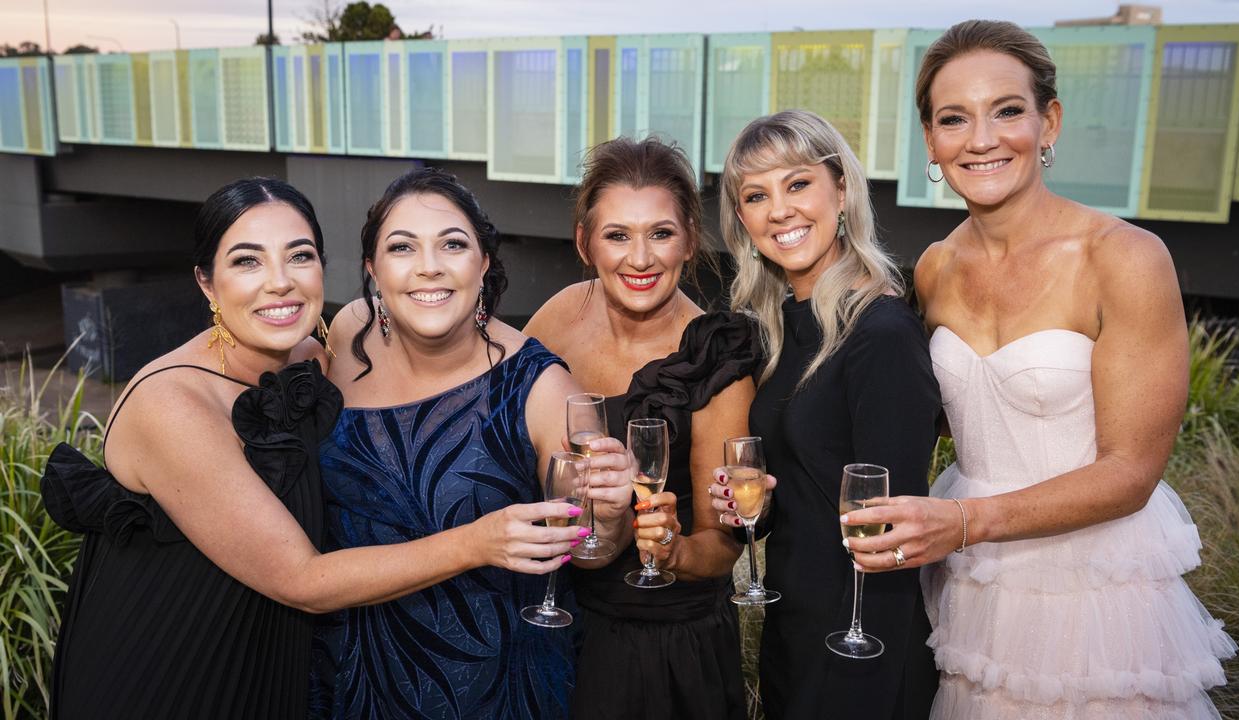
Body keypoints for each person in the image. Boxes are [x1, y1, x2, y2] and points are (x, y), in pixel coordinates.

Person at [40, 178, 589, 720]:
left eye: (298, 256)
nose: (279, 283)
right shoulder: (171, 403)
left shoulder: (319, 352)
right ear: (207, 283)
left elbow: (452, 337)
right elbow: (301, 578)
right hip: (173, 667)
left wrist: (538, 376)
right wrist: (478, 540)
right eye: (247, 261)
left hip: (275, 660)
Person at [841, 20, 1237, 719]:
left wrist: (963, 521)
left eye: (1008, 111)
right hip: (980, 585)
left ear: (1048, 122)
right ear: (931, 141)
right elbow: (924, 417)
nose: (983, 139)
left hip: (1093, 590)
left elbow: (1131, 473)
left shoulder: (1123, 257)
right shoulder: (934, 268)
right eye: (954, 118)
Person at [309, 167, 634, 719]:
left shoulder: (539, 385)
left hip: (489, 686)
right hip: (350, 668)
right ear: (372, 269)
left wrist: (609, 516)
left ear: (483, 263)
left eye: (452, 245)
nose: (428, 266)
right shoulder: (346, 338)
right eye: (402, 247)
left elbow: (592, 551)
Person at [707, 110, 942, 719]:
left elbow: (892, 535)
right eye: (755, 196)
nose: (779, 210)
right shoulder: (785, 328)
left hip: (859, 645)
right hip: (796, 629)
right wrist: (746, 511)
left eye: (798, 183)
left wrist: (851, 678)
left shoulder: (882, 332)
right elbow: (804, 498)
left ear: (841, 188)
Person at [525, 136, 758, 719]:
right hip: (550, 619)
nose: (639, 258)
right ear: (585, 243)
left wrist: (673, 550)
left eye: (660, 233)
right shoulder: (555, 318)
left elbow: (723, 547)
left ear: (689, 240)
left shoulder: (716, 361)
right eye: (617, 235)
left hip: (660, 648)